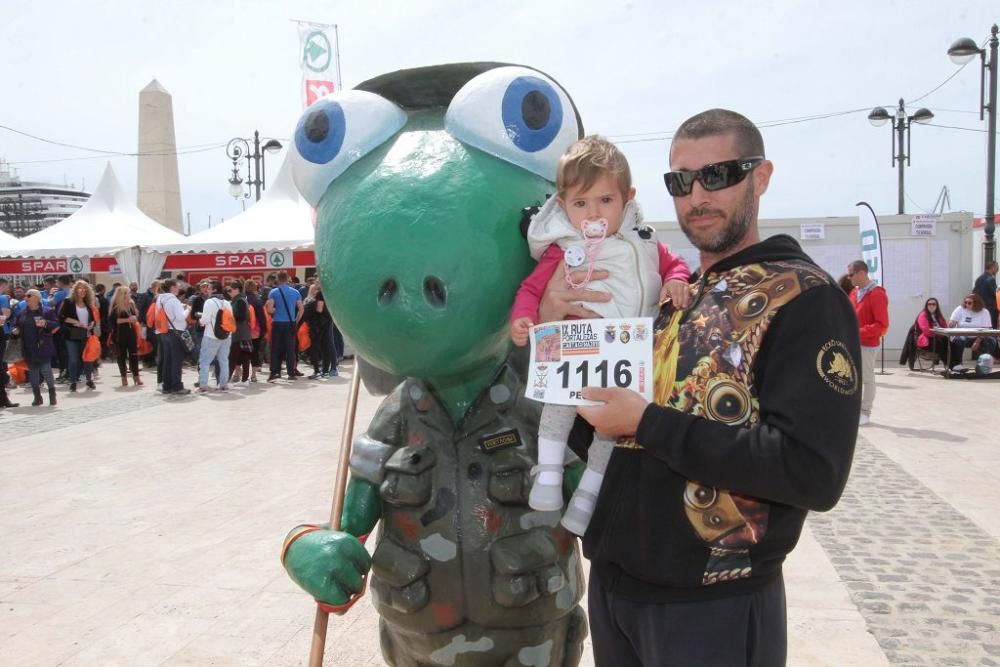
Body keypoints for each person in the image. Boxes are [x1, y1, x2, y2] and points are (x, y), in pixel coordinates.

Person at [548, 109, 860, 666]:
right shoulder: (676, 298)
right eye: (680, 181)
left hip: (715, 605)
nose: (697, 195)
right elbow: (601, 431)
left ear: (760, 177)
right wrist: (553, 338)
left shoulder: (805, 297)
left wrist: (646, 422)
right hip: (618, 592)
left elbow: (813, 471)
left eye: (718, 175)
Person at [509, 135, 690, 535]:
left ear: (628, 197)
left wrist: (676, 281)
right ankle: (549, 475)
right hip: (578, 346)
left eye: (605, 201)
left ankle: (589, 494)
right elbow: (532, 289)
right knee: (559, 405)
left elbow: (676, 264)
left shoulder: (644, 242)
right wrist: (524, 318)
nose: (594, 213)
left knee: (613, 429)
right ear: (562, 205)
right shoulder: (563, 248)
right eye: (580, 203)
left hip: (628, 355)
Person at [847, 260, 889, 426]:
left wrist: (857, 333)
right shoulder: (854, 292)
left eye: (851, 274)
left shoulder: (877, 294)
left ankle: (865, 412)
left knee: (867, 378)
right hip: (853, 343)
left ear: (861, 273)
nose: (849, 278)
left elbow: (882, 325)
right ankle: (855, 410)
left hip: (867, 344)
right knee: (854, 379)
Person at [13, 289, 58, 406]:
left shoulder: (46, 311)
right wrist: (16, 330)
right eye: (25, 296)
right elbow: (16, 325)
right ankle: (37, 397)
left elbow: (56, 324)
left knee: (46, 371)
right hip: (28, 348)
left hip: (43, 346)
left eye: (29, 295)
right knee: (33, 373)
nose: (26, 298)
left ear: (37, 298)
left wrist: (46, 323)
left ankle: (52, 394)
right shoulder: (22, 313)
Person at [58, 280, 99, 392]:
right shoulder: (68, 302)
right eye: (80, 288)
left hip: (86, 335)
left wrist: (91, 324)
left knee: (88, 358)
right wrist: (75, 321)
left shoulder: (89, 303)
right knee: (73, 359)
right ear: (75, 290)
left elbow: (94, 320)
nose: (83, 290)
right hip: (72, 335)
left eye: (85, 288)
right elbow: (61, 317)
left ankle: (89, 380)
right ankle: (73, 382)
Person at [265, 271, 303, 382]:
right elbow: (301, 309)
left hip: (277, 323)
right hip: (290, 323)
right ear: (287, 279)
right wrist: (296, 321)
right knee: (290, 349)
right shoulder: (295, 292)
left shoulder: (274, 292)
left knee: (275, 348)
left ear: (278, 279)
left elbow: (269, 309)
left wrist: (276, 310)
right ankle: (291, 373)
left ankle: (274, 373)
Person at [196, 282, 232, 393]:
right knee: (224, 360)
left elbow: (205, 320)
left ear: (214, 290)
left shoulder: (209, 302)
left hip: (211, 335)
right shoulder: (227, 303)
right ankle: (224, 384)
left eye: (209, 288)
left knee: (205, 361)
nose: (207, 290)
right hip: (226, 335)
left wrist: (200, 320)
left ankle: (203, 386)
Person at [157, 279, 191, 395]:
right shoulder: (173, 300)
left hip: (164, 331)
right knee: (177, 360)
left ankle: (167, 386)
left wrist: (180, 305)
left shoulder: (160, 299)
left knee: (167, 360)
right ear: (172, 287)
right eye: (177, 286)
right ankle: (177, 386)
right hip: (176, 332)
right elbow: (181, 317)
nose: (179, 288)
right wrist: (187, 310)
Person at [947, 293, 997, 369]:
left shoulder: (984, 312)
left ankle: (983, 365)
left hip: (978, 337)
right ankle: (957, 365)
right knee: (958, 340)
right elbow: (951, 323)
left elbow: (987, 329)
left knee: (991, 340)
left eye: (969, 303)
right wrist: (952, 323)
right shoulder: (960, 309)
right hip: (963, 336)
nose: (967, 304)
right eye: (965, 302)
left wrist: (978, 340)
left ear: (976, 303)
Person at [108, 285, 142, 386]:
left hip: (131, 333)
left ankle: (136, 377)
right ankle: (124, 377)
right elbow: (114, 321)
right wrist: (128, 319)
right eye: (128, 293)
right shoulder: (115, 305)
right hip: (120, 334)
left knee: (134, 355)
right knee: (121, 356)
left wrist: (135, 316)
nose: (130, 294)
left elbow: (135, 317)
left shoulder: (131, 304)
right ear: (122, 295)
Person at [303, 286, 338, 379]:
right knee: (327, 347)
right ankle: (326, 370)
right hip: (328, 322)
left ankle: (317, 371)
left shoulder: (320, 293)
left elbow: (319, 309)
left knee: (315, 347)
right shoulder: (331, 292)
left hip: (319, 324)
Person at [913, 297, 948, 361]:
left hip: (938, 337)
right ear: (926, 306)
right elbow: (927, 331)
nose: (931, 305)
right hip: (927, 339)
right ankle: (951, 366)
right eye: (929, 304)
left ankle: (956, 365)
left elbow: (945, 326)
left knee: (952, 344)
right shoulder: (923, 315)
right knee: (942, 345)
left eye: (934, 304)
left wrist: (942, 334)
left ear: (937, 306)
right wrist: (940, 335)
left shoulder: (938, 315)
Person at [245, 279, 266, 381]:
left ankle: (240, 374)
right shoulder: (257, 300)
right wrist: (264, 329)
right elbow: (261, 317)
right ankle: (253, 375)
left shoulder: (242, 299)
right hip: (255, 331)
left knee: (243, 352)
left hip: (243, 330)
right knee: (255, 352)